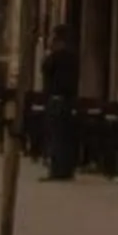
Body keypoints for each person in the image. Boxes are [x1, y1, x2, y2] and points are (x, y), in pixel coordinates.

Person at [40, 30, 78, 182]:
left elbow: (45, 68)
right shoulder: (73, 58)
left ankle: (56, 169)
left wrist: (48, 53)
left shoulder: (54, 58)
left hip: (56, 100)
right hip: (69, 101)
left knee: (55, 135)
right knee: (66, 136)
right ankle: (67, 169)